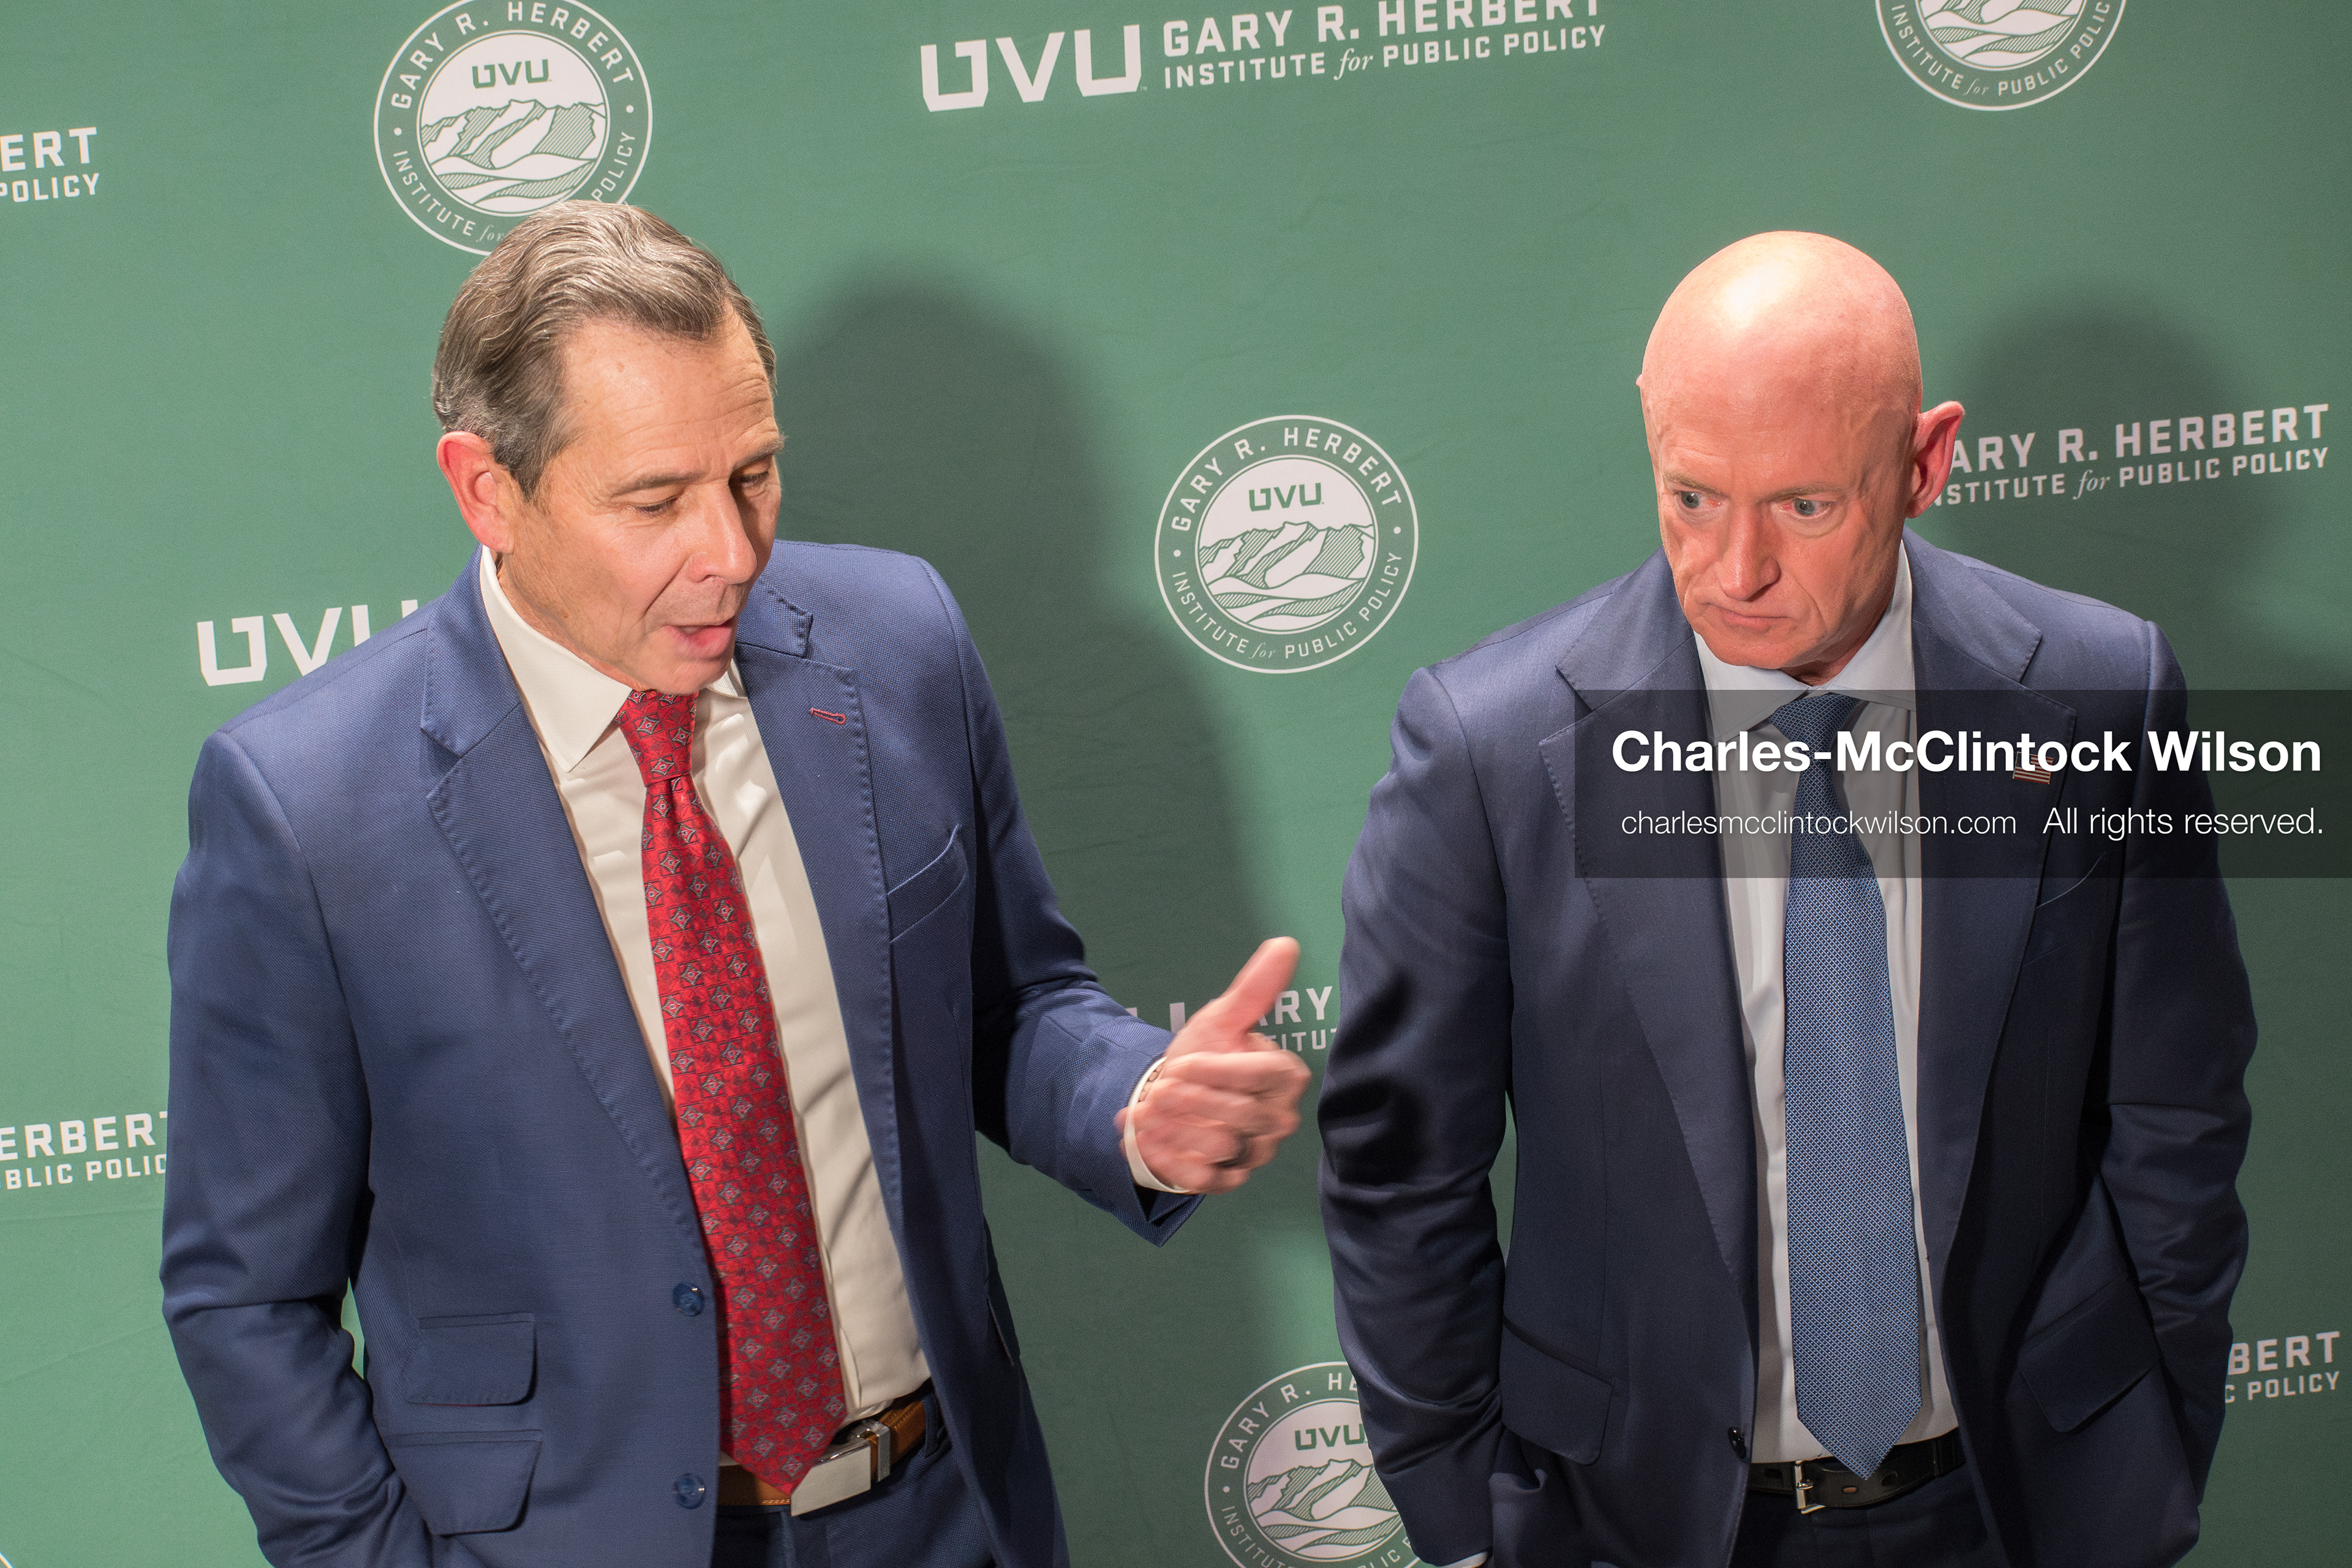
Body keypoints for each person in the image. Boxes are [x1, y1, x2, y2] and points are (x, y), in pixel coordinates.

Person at [162, 202, 1310, 1568]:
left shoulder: (898, 644)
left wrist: (1130, 1103)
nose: (731, 549)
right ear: (488, 489)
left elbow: (1011, 1006)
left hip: (946, 1509)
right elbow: (245, 1297)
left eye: (754, 472)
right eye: (655, 500)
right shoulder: (305, 805)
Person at [1319, 232, 2255, 1568]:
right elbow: (1403, 1167)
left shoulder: (2108, 691)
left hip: (2029, 1506)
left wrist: (2154, 1443)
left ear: (1925, 463)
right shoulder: (1488, 749)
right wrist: (1466, 1525)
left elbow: (2178, 1108)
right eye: (1692, 495)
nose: (1735, 570)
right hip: (1635, 1526)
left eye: (1804, 506)